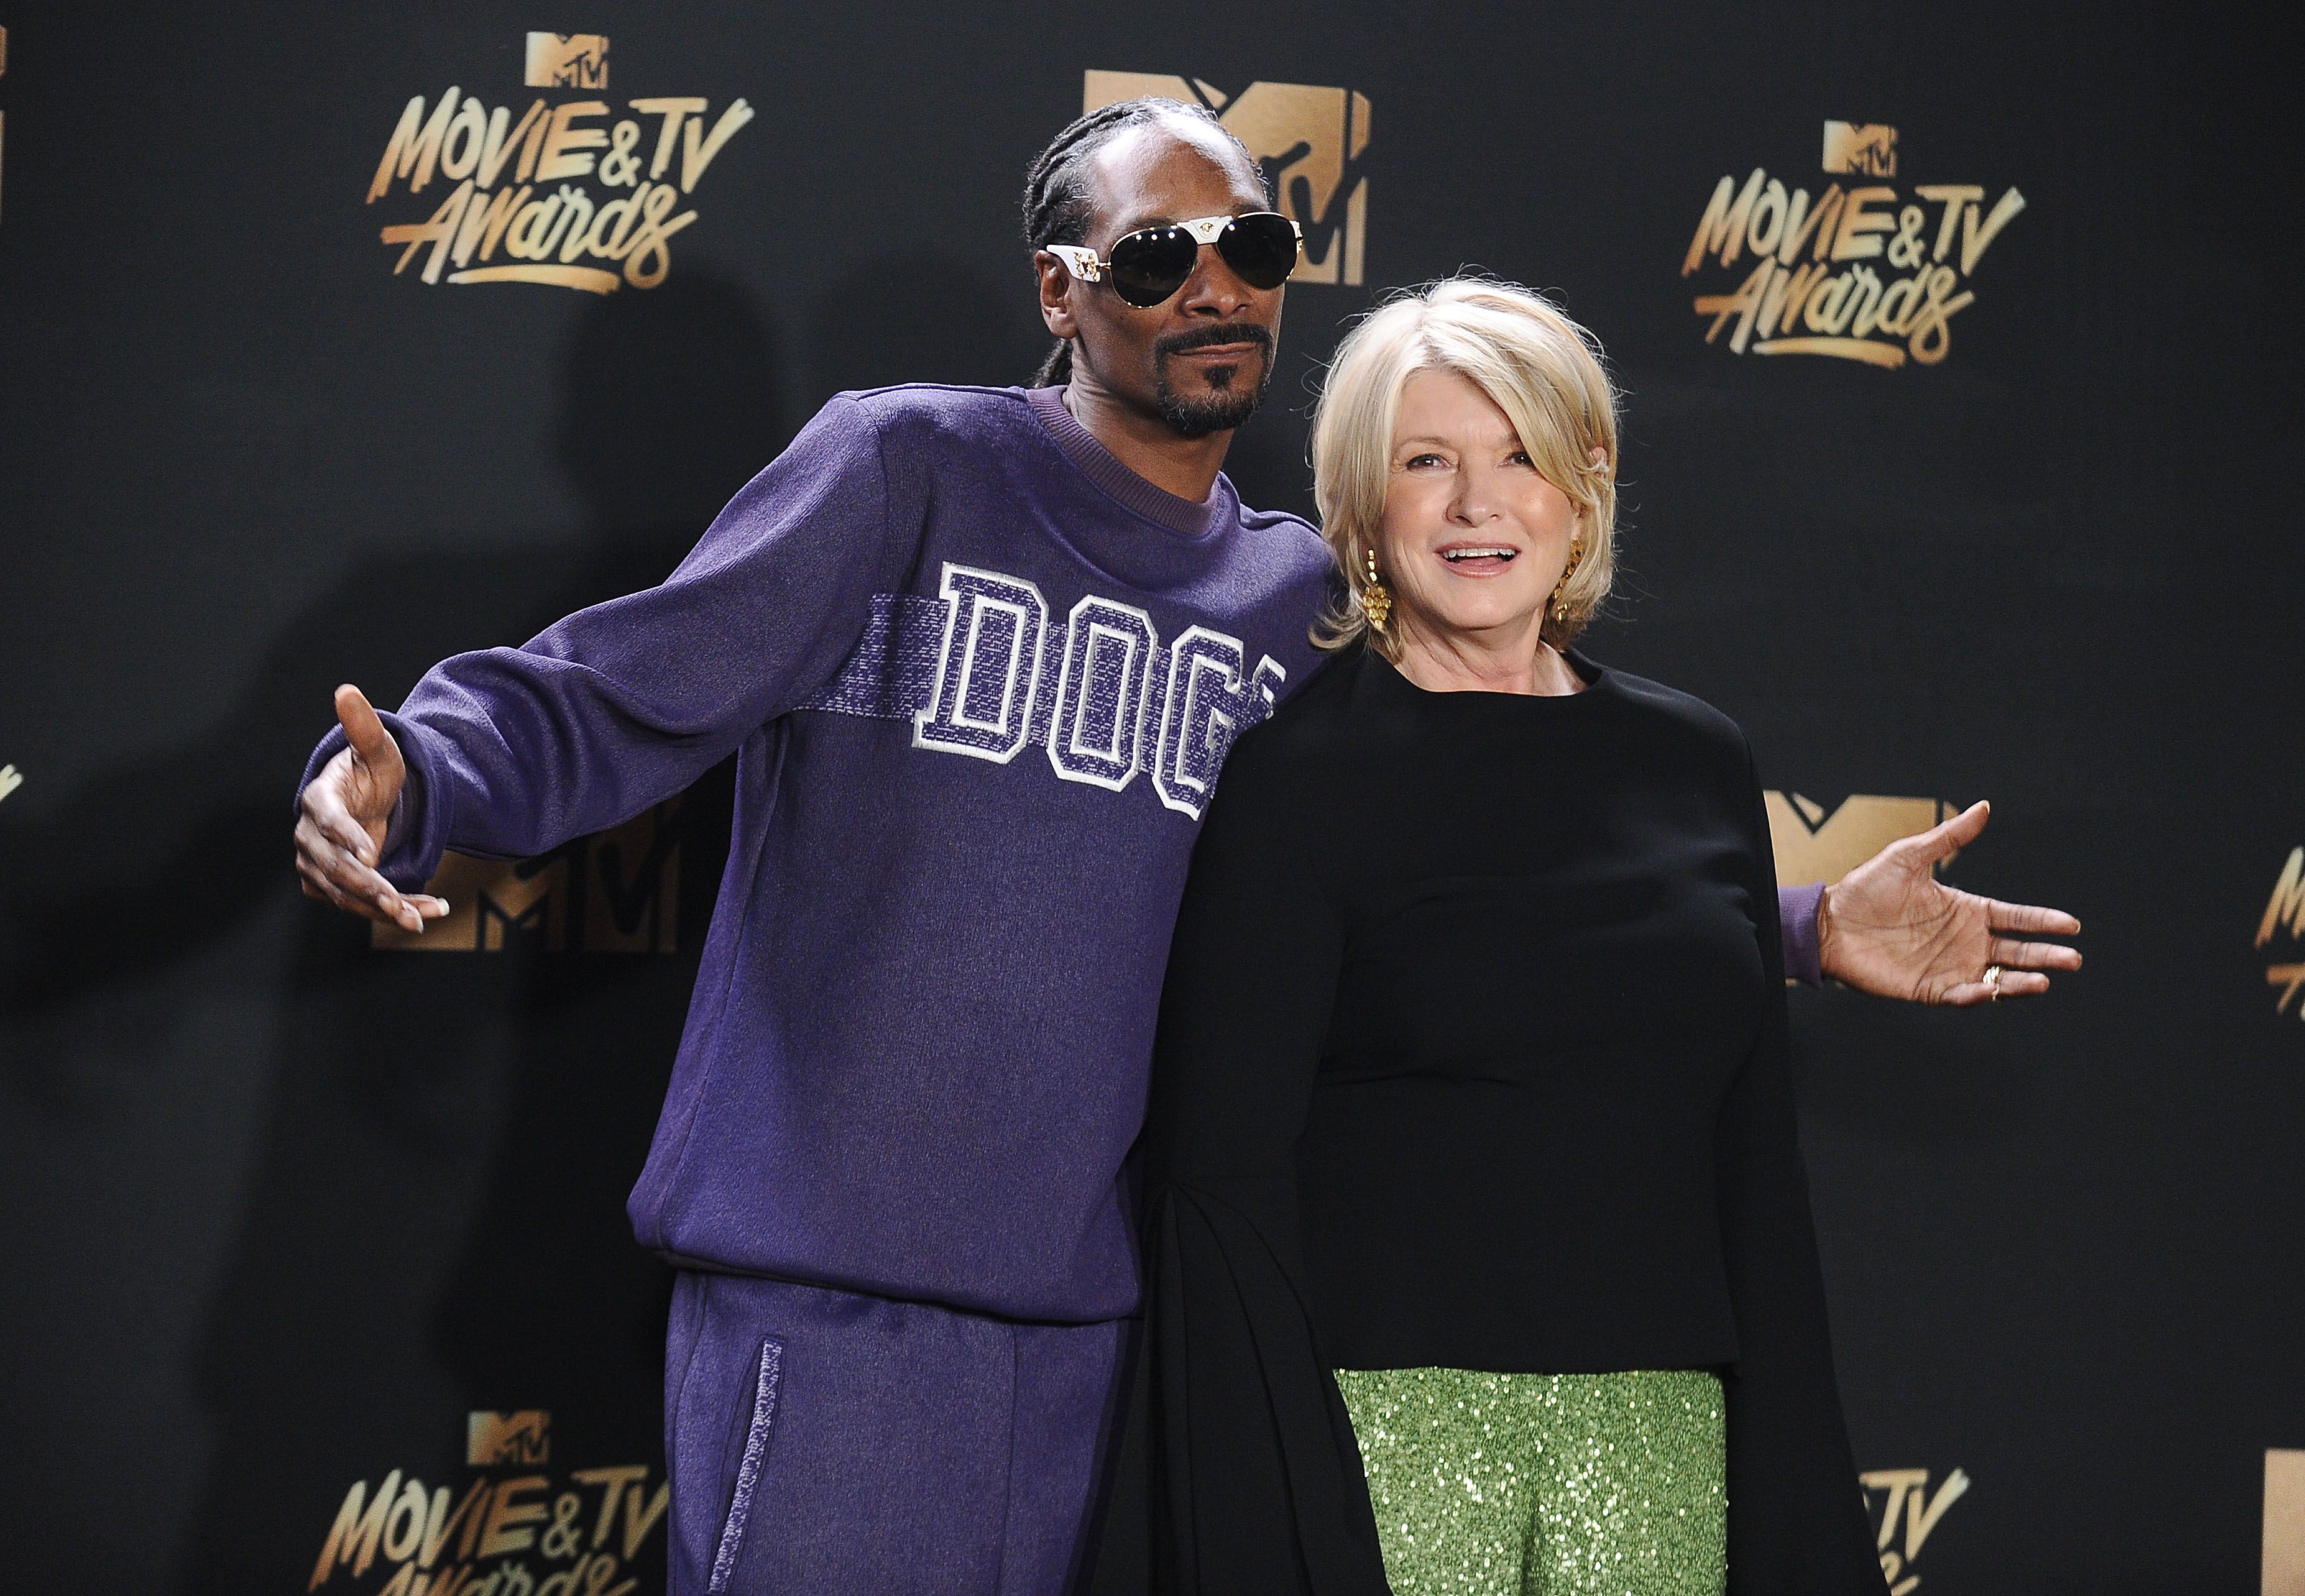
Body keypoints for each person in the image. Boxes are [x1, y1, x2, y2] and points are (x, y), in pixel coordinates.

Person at [291, 102, 2074, 1595]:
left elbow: (1481, 886)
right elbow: (617, 690)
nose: (1212, 285)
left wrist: (1786, 920)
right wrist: (410, 779)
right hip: (838, 1317)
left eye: (1257, 248)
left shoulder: (1309, 598)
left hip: (1114, 1331)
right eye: (1156, 257)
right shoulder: (907, 470)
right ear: (1061, 293)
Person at [1092, 279, 1938, 1595]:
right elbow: (1224, 1185)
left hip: (1658, 1448)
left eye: (1522, 457)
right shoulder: (1296, 778)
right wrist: (1270, 1503)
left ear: (1584, 485)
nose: (1480, 506)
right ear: (1367, 507)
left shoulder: (1694, 760)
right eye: (1429, 462)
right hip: (1390, 1443)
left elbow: (1754, 1172)